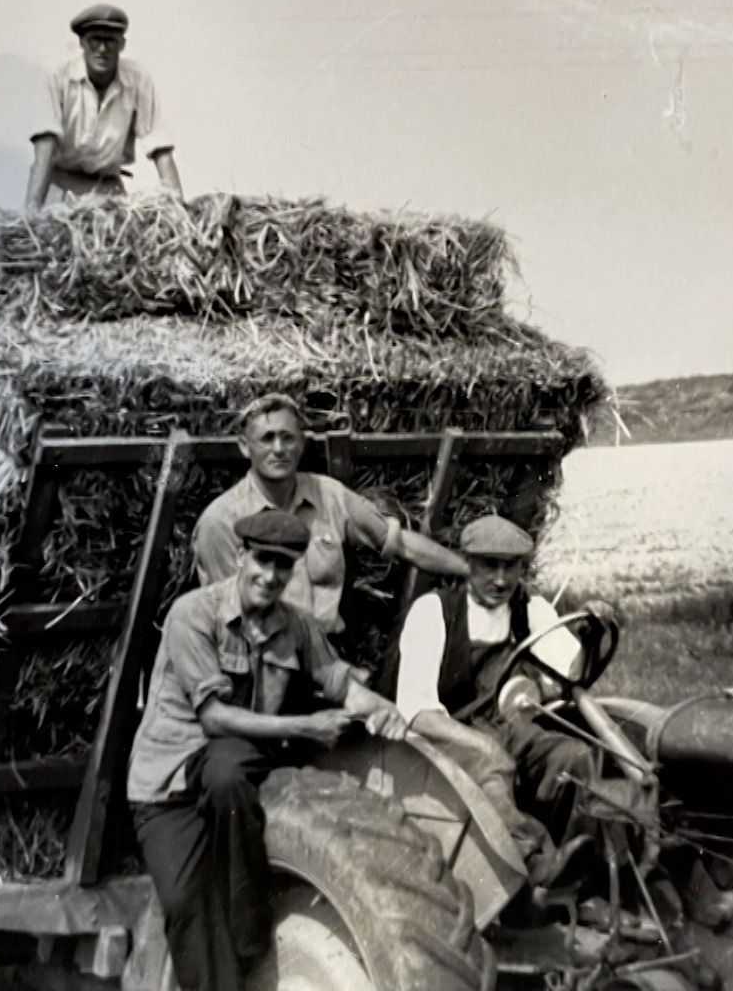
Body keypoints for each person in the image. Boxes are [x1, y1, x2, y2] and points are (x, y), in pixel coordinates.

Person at [126, 509, 409, 991]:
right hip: (168, 784)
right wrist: (305, 727)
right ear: (240, 557)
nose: (271, 575)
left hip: (227, 774)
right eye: (262, 560)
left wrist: (391, 712)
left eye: (284, 564)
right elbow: (213, 719)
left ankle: (248, 927)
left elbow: (343, 686)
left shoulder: (296, 626)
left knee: (230, 771)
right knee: (184, 905)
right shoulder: (193, 614)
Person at [389, 514, 601, 848]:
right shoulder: (434, 612)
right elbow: (417, 712)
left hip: (510, 727)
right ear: (468, 564)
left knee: (573, 757)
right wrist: (483, 743)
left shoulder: (529, 609)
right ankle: (531, 861)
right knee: (491, 771)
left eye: (511, 567)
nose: (501, 581)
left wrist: (591, 638)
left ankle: (580, 851)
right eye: (489, 566)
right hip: (448, 735)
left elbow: (572, 674)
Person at [192, 393, 470, 639]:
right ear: (244, 446)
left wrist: (470, 570)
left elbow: (401, 543)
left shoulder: (328, 495)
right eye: (267, 438)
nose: (278, 449)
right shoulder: (221, 522)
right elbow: (236, 620)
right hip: (261, 666)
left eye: (287, 437)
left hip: (325, 657)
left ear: (301, 443)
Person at [25, 4, 182, 209]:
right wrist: (31, 208)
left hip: (107, 191)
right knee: (48, 236)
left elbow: (159, 144)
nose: (102, 49)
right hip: (60, 186)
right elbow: (46, 141)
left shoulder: (137, 79)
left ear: (122, 45)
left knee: (125, 237)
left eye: (110, 41)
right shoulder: (58, 75)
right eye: (95, 40)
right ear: (81, 42)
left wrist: (180, 214)